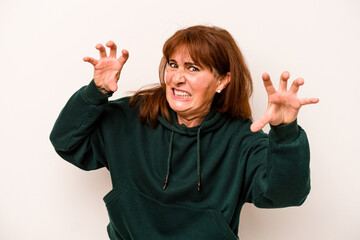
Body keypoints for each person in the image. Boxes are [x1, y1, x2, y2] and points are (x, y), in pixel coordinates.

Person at [50, 25, 319, 239]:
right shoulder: (131, 116)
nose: (177, 78)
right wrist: (95, 92)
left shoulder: (242, 140)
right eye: (173, 64)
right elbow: (67, 143)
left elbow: (286, 195)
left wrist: (285, 131)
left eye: (193, 68)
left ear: (222, 81)